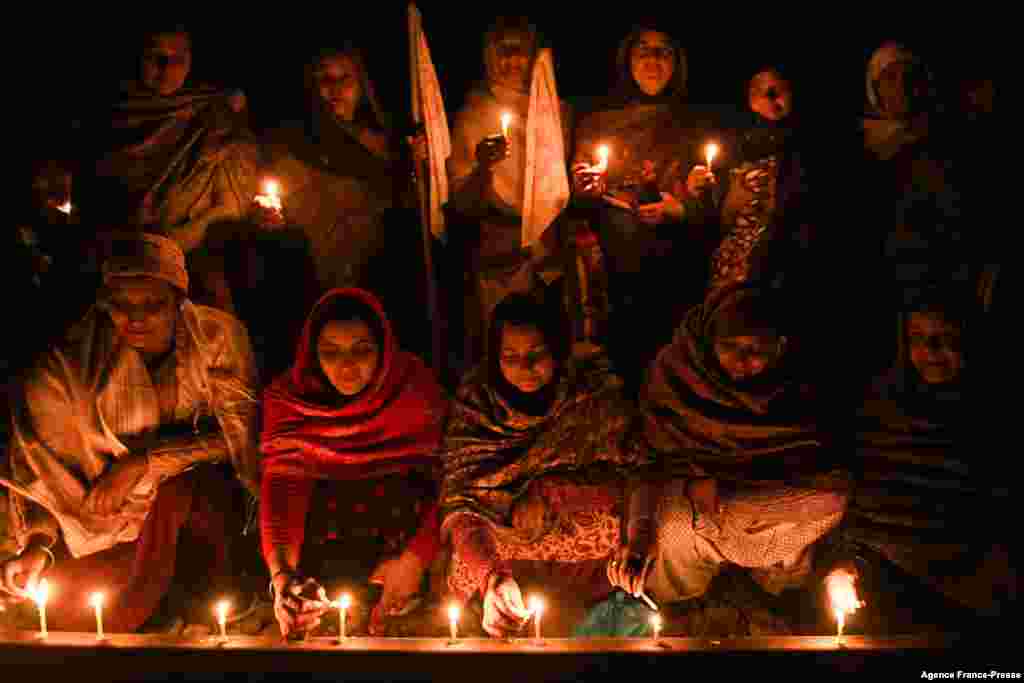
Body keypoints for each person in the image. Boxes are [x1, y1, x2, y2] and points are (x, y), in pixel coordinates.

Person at [0, 233, 259, 632]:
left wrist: (146, 462)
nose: (136, 319)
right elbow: (46, 470)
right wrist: (39, 543)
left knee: (186, 499)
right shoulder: (67, 368)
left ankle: (193, 603)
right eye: (121, 306)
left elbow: (239, 438)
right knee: (72, 615)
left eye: (152, 305)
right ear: (105, 304)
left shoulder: (218, 337)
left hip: (194, 499)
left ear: (178, 300)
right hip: (101, 522)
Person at [612, 285, 849, 618]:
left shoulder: (799, 384)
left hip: (756, 505)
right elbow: (648, 464)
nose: (742, 360)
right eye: (729, 346)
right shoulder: (677, 374)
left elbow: (824, 471)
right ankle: (684, 602)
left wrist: (724, 492)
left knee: (831, 500)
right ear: (709, 340)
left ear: (780, 347)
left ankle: (770, 586)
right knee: (671, 518)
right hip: (695, 512)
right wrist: (640, 535)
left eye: (756, 350)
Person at [440, 293, 643, 637]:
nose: (525, 368)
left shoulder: (591, 391)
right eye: (511, 356)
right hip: (503, 525)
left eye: (537, 354)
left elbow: (634, 470)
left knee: (614, 525)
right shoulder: (478, 404)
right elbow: (462, 499)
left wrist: (551, 493)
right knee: (468, 551)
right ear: (494, 357)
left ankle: (585, 608)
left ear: (559, 350)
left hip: (575, 514)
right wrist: (493, 574)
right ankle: (499, 604)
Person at [822, 292, 1016, 633]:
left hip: (970, 571)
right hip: (878, 563)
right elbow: (859, 494)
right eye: (919, 339)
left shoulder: (996, 414)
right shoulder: (881, 407)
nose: (931, 350)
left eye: (947, 339)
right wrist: (843, 563)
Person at [260, 288, 448, 638]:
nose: (346, 366)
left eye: (361, 350)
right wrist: (283, 574)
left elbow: (447, 481)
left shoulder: (413, 390)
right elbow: (283, 487)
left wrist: (415, 560)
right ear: (313, 355)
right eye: (330, 352)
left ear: (384, 350)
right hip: (324, 551)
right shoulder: (289, 400)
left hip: (404, 546)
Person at [570, 25, 715, 393]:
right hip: (620, 267)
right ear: (627, 60)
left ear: (677, 62)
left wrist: (681, 209)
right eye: (643, 51)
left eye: (663, 51)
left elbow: (715, 194)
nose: (652, 60)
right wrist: (586, 186)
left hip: (680, 261)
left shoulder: (694, 122)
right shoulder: (598, 121)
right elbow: (580, 196)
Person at [75, 25, 259, 311]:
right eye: (156, 56)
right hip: (117, 267)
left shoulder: (214, 116)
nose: (166, 67)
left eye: (177, 59)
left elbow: (234, 205)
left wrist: (168, 244)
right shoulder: (107, 117)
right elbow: (89, 202)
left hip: (193, 270)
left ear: (191, 61)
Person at [446, 16, 571, 372]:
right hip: (501, 253)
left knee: (548, 347)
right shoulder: (473, 115)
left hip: (550, 248)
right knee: (504, 347)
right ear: (488, 56)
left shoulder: (556, 111)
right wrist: (483, 169)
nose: (512, 60)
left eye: (521, 51)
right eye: (504, 50)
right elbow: (460, 202)